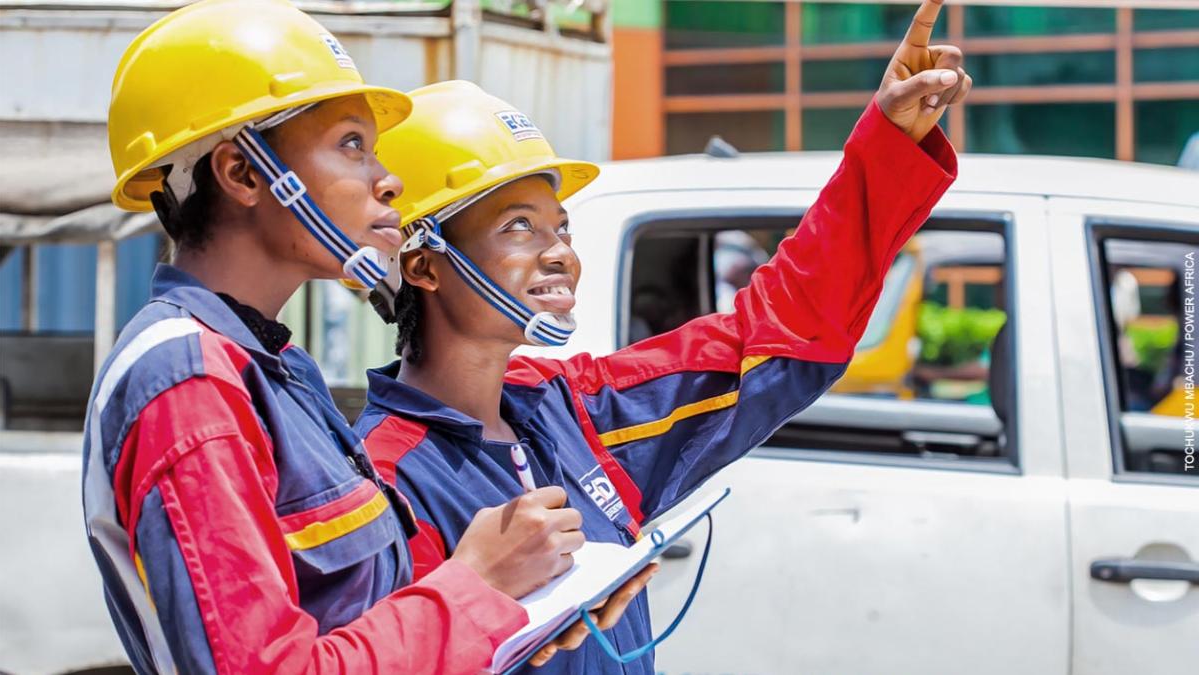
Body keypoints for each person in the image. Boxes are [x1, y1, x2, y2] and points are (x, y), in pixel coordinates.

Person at [354, 1, 971, 671]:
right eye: (518, 228)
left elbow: (774, 335)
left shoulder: (574, 408)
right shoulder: (380, 480)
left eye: (559, 227)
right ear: (422, 265)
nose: (560, 251)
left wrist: (886, 149)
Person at [82, 1, 590, 672]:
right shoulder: (189, 380)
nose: (389, 180)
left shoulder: (276, 367)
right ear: (243, 174)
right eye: (353, 144)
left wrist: (525, 614)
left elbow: (358, 617)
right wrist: (478, 587)